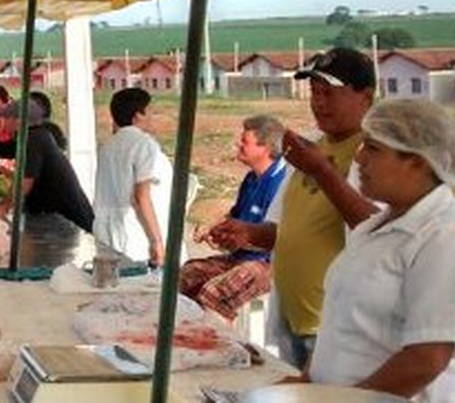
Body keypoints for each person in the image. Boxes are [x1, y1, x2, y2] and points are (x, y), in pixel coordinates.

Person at [295, 99, 455, 402]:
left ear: (419, 161)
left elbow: (426, 359)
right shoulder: (372, 228)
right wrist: (307, 382)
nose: (359, 159)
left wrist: (349, 401)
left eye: (374, 149)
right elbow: (341, 325)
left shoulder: (448, 239)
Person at [212, 47, 379, 368]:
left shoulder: (374, 154)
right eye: (314, 92)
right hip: (295, 315)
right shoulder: (308, 149)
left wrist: (322, 171)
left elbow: (377, 230)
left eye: (329, 93)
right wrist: (245, 232)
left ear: (366, 97)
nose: (319, 102)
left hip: (335, 324)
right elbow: (279, 230)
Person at [179, 115, 288, 320]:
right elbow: (235, 216)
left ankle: (227, 346)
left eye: (244, 141)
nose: (238, 145)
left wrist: (233, 239)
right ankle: (186, 335)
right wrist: (213, 228)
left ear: (264, 148)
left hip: (268, 265)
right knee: (185, 276)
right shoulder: (251, 178)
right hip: (241, 259)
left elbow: (278, 239)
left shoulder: (280, 183)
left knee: (213, 294)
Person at [0, 92, 95, 233]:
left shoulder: (34, 139)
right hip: (52, 219)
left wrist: (3, 207)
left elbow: (24, 183)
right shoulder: (26, 139)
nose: (3, 122)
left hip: (70, 224)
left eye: (7, 117)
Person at [92, 87, 175, 267]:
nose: (153, 116)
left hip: (107, 231)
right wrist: (157, 241)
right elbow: (141, 196)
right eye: (150, 112)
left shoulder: (108, 145)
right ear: (138, 115)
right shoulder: (144, 144)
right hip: (135, 233)